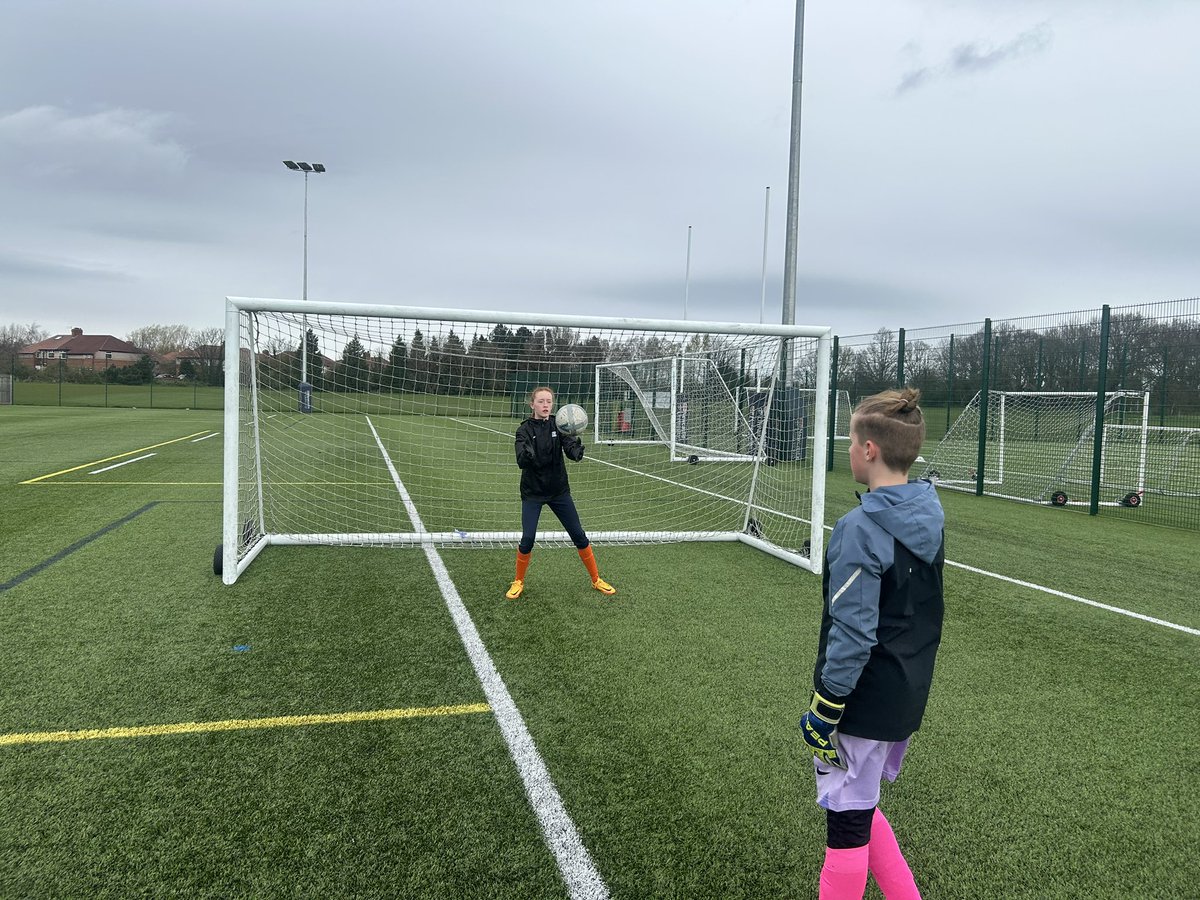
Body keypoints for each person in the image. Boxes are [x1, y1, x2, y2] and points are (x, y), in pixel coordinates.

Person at [798, 388, 945, 900]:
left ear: (868, 451)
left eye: (852, 439)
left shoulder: (859, 529)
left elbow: (855, 632)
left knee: (845, 828)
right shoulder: (929, 512)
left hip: (861, 700)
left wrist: (827, 705)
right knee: (862, 806)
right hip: (905, 692)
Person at [506, 386, 616, 600]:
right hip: (533, 492)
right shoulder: (524, 430)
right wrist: (527, 454)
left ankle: (596, 579)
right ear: (532, 405)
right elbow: (520, 459)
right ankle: (518, 581)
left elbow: (569, 447)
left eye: (549, 401)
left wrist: (576, 450)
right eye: (541, 401)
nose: (546, 405)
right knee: (528, 538)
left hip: (558, 491)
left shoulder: (560, 423)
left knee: (579, 535)